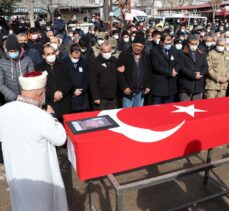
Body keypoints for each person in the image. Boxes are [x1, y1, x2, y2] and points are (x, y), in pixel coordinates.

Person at [0, 71, 68, 211]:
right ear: (40, 93)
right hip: (40, 179)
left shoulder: (3, 111)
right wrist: (52, 116)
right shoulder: (42, 117)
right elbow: (60, 138)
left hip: (17, 176)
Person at [36, 44, 73, 121]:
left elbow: (69, 82)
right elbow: (40, 87)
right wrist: (53, 94)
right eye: (48, 54)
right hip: (50, 104)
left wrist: (61, 92)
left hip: (64, 102)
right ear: (43, 56)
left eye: (53, 53)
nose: (51, 55)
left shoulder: (63, 65)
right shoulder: (39, 68)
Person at [117, 32, 151, 108]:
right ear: (132, 44)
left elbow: (149, 72)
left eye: (140, 46)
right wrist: (124, 87)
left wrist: (148, 86)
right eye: (136, 45)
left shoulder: (146, 56)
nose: (138, 48)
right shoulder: (124, 55)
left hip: (141, 91)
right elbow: (119, 73)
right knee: (127, 114)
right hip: (128, 92)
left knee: (138, 115)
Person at [0, 34, 34, 102]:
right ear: (7, 50)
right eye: (11, 51)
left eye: (15, 51)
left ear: (18, 49)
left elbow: (32, 78)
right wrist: (14, 97)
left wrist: (27, 94)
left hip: (27, 97)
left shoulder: (27, 60)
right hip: (10, 99)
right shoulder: (1, 62)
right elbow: (0, 84)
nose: (13, 53)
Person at [150, 33, 180, 105]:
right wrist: (169, 72)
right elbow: (156, 66)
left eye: (170, 43)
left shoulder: (173, 49)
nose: (169, 45)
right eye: (167, 43)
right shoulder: (154, 50)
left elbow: (178, 62)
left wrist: (175, 70)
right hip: (159, 86)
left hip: (171, 86)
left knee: (169, 110)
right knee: (157, 109)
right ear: (161, 42)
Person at [89, 42, 118, 110]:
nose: (107, 53)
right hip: (101, 98)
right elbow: (92, 81)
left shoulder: (114, 60)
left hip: (113, 96)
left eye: (109, 51)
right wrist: (95, 97)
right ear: (101, 51)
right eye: (105, 51)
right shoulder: (95, 62)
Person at [179, 35, 208, 101]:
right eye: (192, 44)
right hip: (186, 85)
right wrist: (194, 75)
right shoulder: (182, 53)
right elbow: (182, 67)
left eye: (196, 44)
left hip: (198, 85)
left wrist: (200, 74)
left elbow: (205, 66)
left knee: (197, 107)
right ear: (189, 43)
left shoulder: (201, 53)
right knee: (184, 107)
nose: (194, 45)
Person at [63, 44, 90, 112]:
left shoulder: (83, 62)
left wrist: (82, 90)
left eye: (78, 57)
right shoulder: (64, 63)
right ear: (70, 53)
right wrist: (73, 90)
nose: (76, 59)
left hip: (82, 98)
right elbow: (64, 79)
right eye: (74, 57)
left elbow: (87, 78)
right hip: (70, 97)